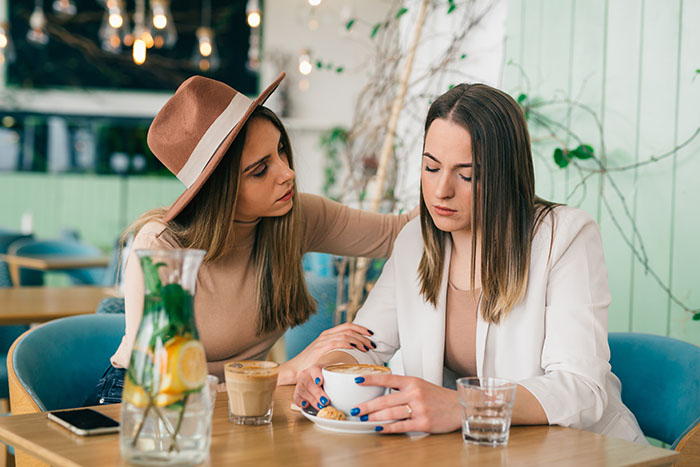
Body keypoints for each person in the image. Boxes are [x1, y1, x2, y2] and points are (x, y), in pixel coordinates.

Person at [294, 83, 647, 443]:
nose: (440, 191)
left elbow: (582, 389)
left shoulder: (565, 236)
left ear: (505, 175)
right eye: (431, 168)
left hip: (579, 450)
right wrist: (329, 368)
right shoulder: (416, 240)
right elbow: (366, 343)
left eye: (467, 175)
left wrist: (463, 405)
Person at [90, 73, 414, 405]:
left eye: (281, 150)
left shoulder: (295, 217)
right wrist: (284, 372)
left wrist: (460, 182)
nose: (287, 173)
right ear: (219, 190)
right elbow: (166, 385)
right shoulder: (162, 245)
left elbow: (400, 231)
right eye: (260, 170)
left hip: (244, 401)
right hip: (144, 404)